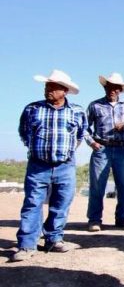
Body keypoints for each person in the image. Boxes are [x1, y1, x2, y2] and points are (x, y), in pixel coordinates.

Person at [11, 70, 87, 262]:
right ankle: (27, 244)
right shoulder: (33, 109)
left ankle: (53, 239)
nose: (48, 90)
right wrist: (37, 150)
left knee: (61, 203)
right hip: (38, 165)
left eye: (52, 87)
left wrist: (67, 152)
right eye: (47, 86)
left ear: (65, 91)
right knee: (32, 203)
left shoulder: (77, 111)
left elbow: (80, 135)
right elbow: (24, 132)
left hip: (65, 165)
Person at [84, 72, 124, 231]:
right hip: (102, 148)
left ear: (120, 90)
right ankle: (94, 219)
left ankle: (122, 218)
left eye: (116, 88)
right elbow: (84, 127)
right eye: (109, 87)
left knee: (123, 186)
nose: (112, 90)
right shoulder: (95, 105)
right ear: (105, 87)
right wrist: (92, 142)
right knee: (97, 185)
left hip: (122, 149)